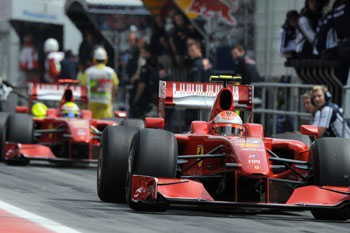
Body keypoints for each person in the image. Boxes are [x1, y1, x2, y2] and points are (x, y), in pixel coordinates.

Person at [80, 47, 119, 119]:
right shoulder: (110, 72)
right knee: (105, 124)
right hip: (106, 102)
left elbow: (83, 85)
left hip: (92, 102)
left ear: (94, 60)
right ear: (105, 59)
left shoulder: (89, 72)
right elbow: (115, 86)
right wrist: (112, 98)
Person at [132, 44, 159, 118]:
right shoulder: (157, 65)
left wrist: (136, 99)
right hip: (154, 97)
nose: (141, 54)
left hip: (146, 98)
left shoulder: (146, 68)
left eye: (142, 52)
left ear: (148, 53)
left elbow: (142, 84)